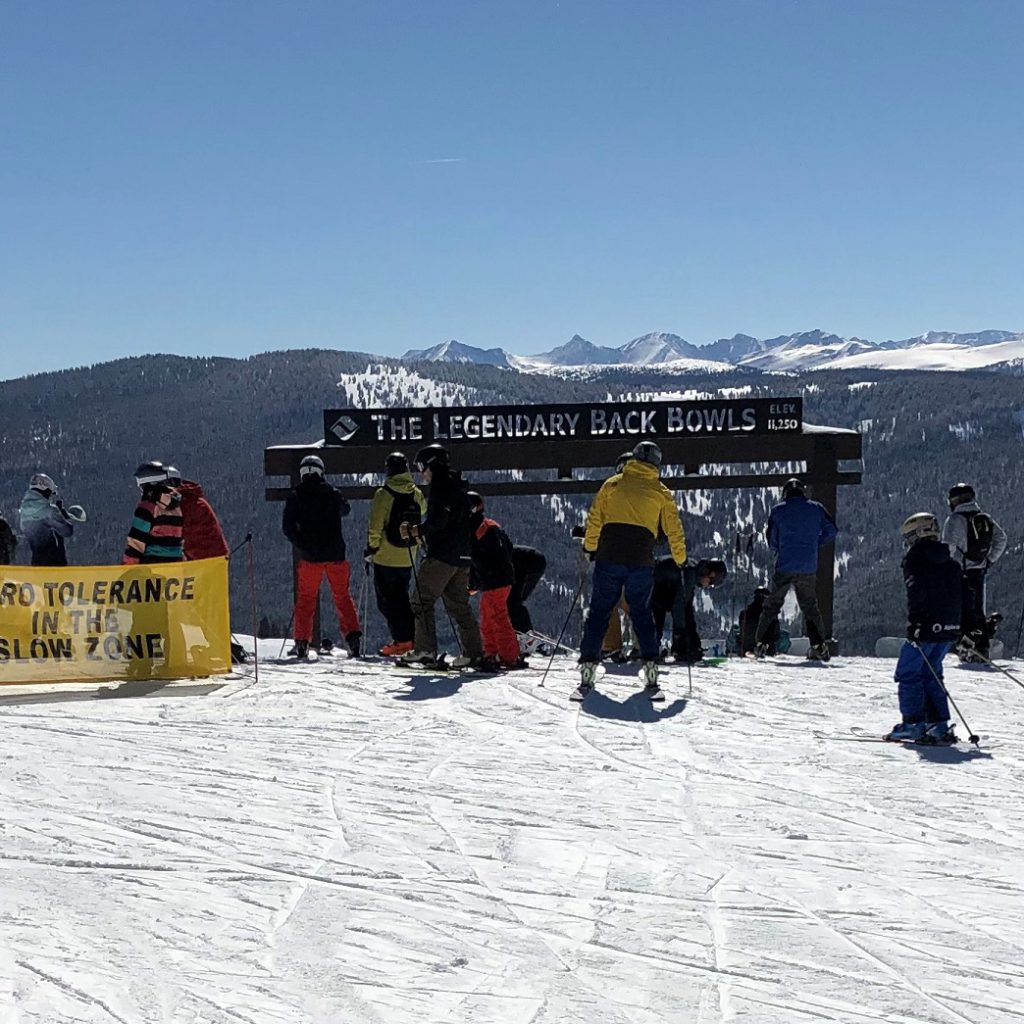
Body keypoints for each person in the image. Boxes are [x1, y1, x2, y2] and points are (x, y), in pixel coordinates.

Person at [576, 440, 687, 700]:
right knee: (641, 615)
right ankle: (650, 669)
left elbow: (595, 520)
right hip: (640, 560)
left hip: (609, 557)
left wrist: (590, 548)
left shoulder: (612, 484)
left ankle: (588, 669)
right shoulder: (661, 491)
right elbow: (674, 529)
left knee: (600, 613)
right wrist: (680, 558)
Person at [398, 444, 484, 669]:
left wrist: (417, 530)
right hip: (463, 557)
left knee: (421, 600)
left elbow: (439, 522)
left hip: (443, 556)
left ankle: (425, 650)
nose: (421, 473)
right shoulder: (459, 488)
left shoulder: (441, 487)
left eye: (421, 467)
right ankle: (474, 653)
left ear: (432, 464)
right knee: (459, 605)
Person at [886, 513, 962, 744]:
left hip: (926, 625)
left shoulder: (915, 558)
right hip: (950, 627)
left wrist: (916, 623)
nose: (909, 542)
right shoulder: (950, 560)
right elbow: (964, 593)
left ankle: (913, 723)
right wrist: (964, 627)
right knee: (932, 673)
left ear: (919, 533)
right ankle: (938, 724)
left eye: (910, 536)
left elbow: (917, 592)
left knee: (909, 672)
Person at [282, 453, 362, 659]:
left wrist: (302, 544)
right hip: (336, 555)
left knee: (306, 600)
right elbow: (345, 510)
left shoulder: (296, 496)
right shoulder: (332, 493)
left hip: (310, 558)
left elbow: (288, 527)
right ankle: (353, 639)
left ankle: (302, 642)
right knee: (342, 597)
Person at [753, 478, 837, 661]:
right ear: (803, 492)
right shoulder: (817, 508)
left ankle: (761, 644)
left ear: (785, 493)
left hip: (785, 564)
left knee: (772, 605)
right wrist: (816, 543)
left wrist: (782, 547)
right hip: (807, 565)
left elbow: (772, 540)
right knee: (809, 607)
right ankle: (819, 645)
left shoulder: (778, 511)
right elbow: (832, 530)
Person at [365, 452, 426, 656]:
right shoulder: (416, 493)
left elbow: (376, 526)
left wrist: (372, 547)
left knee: (387, 601)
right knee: (401, 598)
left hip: (385, 555)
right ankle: (411, 638)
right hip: (408, 554)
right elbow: (424, 511)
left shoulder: (384, 494)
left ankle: (403, 640)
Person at [941, 482, 1007, 661]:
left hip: (961, 570)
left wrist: (945, 569)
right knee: (977, 607)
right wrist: (989, 560)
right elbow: (1002, 539)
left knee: (963, 609)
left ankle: (968, 646)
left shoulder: (954, 520)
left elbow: (948, 547)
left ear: (954, 500)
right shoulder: (984, 517)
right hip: (980, 570)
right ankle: (982, 645)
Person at [466, 492, 522, 670]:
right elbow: (509, 547)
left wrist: (473, 582)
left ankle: (508, 656)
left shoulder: (473, 528)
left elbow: (474, 558)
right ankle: (493, 653)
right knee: (489, 615)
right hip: (503, 577)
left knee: (496, 616)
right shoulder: (491, 525)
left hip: (492, 579)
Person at [651, 557, 728, 662]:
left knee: (685, 612)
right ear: (710, 574)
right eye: (711, 582)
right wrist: (679, 632)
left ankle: (684, 647)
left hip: (660, 588)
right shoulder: (689, 576)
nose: (708, 586)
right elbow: (679, 606)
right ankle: (680, 649)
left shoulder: (693, 569)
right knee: (663, 618)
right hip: (656, 590)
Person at [123, 461, 184, 564]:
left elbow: (136, 542)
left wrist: (127, 569)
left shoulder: (148, 507)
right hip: (174, 568)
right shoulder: (176, 509)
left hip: (151, 568)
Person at [165, 467, 229, 561]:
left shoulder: (185, 504)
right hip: (210, 559)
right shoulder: (191, 500)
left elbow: (172, 536)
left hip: (207, 560)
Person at [18, 473, 77, 566]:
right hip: (54, 564)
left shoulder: (23, 513)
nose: (50, 496)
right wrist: (62, 513)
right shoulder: (48, 511)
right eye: (50, 492)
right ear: (45, 489)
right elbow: (68, 531)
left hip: (35, 562)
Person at [508, 545, 546, 634]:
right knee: (511, 602)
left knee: (512, 603)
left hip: (529, 565)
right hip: (528, 563)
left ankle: (526, 635)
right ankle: (522, 633)